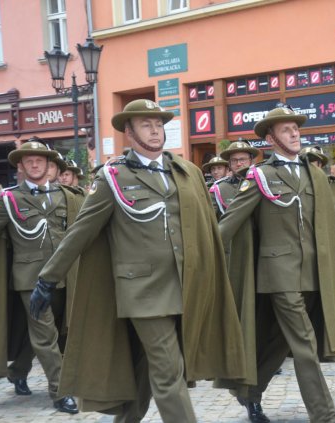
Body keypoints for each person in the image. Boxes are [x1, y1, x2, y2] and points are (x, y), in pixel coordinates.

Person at [29, 99, 245, 422]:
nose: (155, 130)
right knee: (170, 371)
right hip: (142, 293)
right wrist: (48, 278)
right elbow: (81, 232)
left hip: (185, 286)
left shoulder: (187, 172)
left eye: (158, 124)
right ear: (129, 132)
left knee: (145, 370)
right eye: (146, 124)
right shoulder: (114, 177)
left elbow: (207, 230)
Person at [216, 104, 335, 423]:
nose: (294, 133)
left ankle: (250, 393)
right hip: (278, 274)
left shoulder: (312, 174)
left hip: (312, 273)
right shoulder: (261, 176)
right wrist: (199, 259)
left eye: (295, 128)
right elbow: (230, 223)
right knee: (304, 343)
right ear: (271, 138)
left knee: (278, 341)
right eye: (286, 129)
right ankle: (324, 414)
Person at [0, 141, 83, 414]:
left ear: (50, 165)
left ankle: (18, 370)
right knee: (45, 335)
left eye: (40, 160)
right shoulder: (8, 200)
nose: (35, 165)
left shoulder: (67, 197)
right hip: (30, 280)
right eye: (29, 161)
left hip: (65, 277)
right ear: (21, 167)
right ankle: (60, 391)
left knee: (60, 331)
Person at [210, 140, 259, 218]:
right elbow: (210, 217)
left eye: (242, 159)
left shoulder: (261, 182)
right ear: (229, 163)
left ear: (251, 161)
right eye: (234, 160)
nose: (238, 164)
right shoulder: (219, 188)